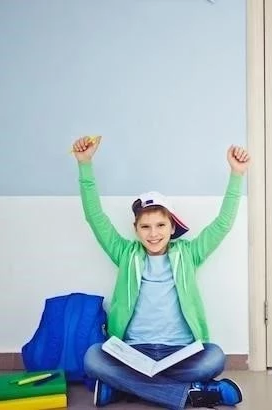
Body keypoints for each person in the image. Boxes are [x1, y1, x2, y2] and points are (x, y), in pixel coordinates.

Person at [71, 136, 250, 409]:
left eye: (160, 225)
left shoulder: (189, 253)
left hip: (179, 352)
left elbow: (222, 225)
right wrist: (85, 165)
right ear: (136, 230)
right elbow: (95, 217)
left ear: (171, 227)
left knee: (214, 357)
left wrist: (236, 175)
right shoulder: (124, 253)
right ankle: (192, 394)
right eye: (145, 227)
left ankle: (124, 387)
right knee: (93, 357)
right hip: (133, 351)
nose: (153, 234)